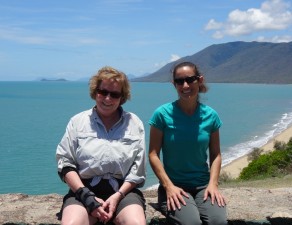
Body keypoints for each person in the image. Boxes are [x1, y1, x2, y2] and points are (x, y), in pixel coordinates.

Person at [56, 66, 146, 225]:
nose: (107, 99)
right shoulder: (78, 122)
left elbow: (137, 170)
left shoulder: (134, 123)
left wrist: (117, 196)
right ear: (95, 92)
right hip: (83, 190)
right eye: (103, 92)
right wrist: (86, 196)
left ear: (122, 97)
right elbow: (65, 163)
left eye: (115, 94)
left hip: (124, 192)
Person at [148, 61, 227, 225]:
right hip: (174, 186)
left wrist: (213, 184)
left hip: (203, 186)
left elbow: (215, 154)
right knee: (191, 223)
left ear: (199, 80)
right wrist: (168, 186)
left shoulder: (211, 116)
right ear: (174, 84)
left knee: (218, 221)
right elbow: (153, 154)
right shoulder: (162, 114)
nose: (185, 85)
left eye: (190, 79)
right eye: (179, 81)